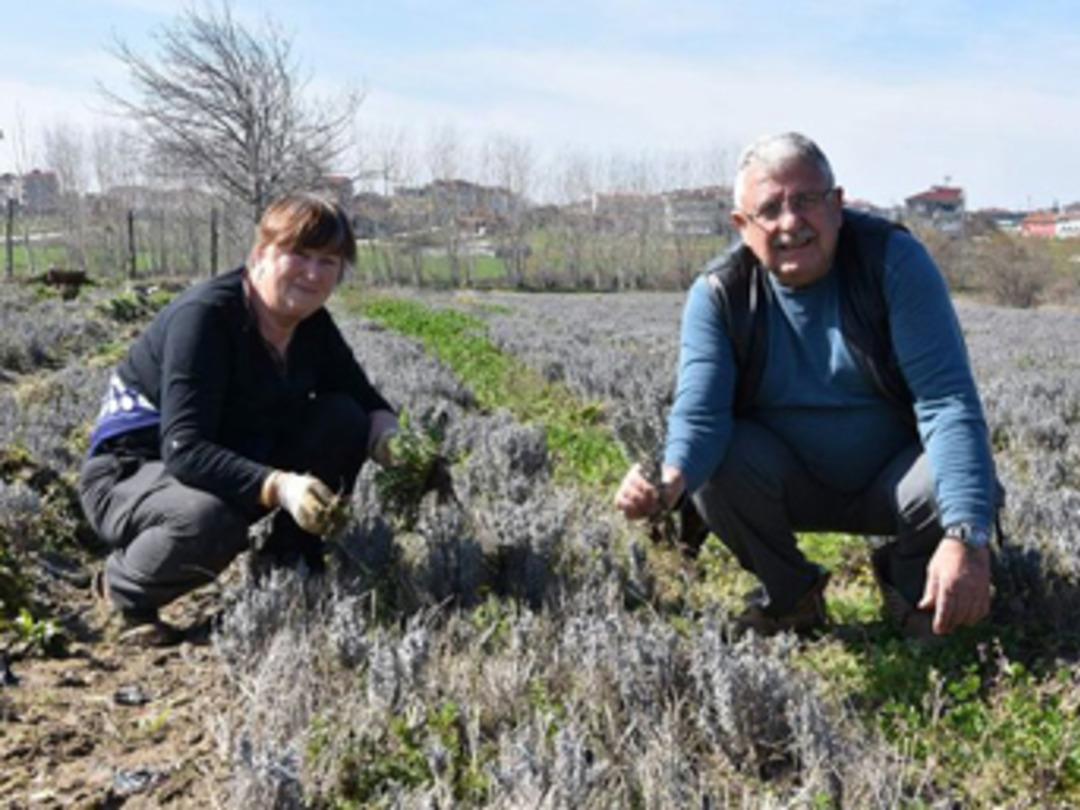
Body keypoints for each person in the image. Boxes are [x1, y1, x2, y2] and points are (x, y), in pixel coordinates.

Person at [614, 132, 999, 639]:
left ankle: (910, 585)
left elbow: (946, 401)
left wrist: (967, 536)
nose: (791, 222)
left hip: (895, 482)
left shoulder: (894, 263)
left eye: (807, 201)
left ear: (837, 205)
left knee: (955, 481)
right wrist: (665, 484)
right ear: (741, 225)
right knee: (714, 466)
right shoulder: (720, 294)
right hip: (783, 482)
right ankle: (791, 596)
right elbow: (701, 418)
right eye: (769, 209)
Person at [79, 193, 399, 645]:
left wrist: (387, 435)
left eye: (328, 261)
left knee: (343, 418)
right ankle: (123, 588)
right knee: (210, 520)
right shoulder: (206, 318)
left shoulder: (311, 325)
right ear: (260, 255)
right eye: (299, 254)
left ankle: (287, 561)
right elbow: (184, 449)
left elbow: (363, 400)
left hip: (227, 454)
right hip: (133, 471)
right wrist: (281, 486)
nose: (312, 273)